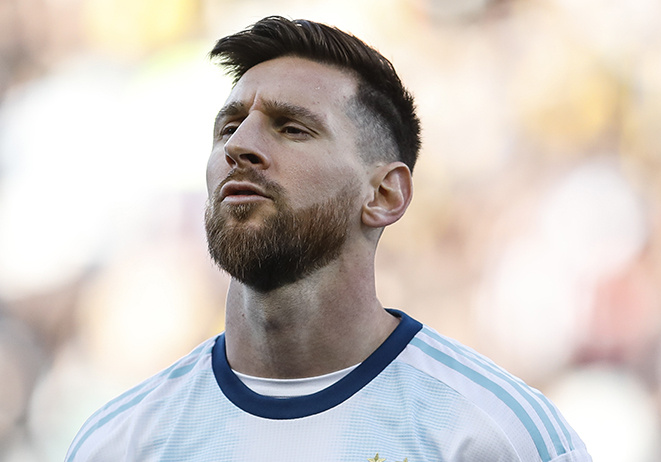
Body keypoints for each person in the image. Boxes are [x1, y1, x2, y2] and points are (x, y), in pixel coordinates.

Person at [65, 16, 592, 461]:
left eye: (292, 128)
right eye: (228, 127)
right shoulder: (119, 445)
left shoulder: (493, 436)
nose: (239, 146)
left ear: (384, 194)